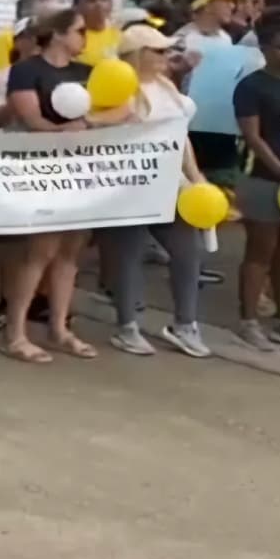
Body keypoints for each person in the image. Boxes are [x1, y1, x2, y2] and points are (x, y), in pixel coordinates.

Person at [97, 24, 211, 357]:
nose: (166, 56)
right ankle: (127, 326)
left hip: (170, 183)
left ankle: (185, 324)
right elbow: (93, 127)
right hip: (128, 185)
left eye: (166, 50)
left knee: (188, 252)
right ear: (137, 55)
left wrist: (195, 175)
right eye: (158, 51)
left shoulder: (166, 86)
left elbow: (181, 135)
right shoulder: (119, 87)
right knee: (128, 254)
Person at [0, 9, 95, 363]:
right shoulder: (27, 70)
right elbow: (31, 119)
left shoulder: (87, 72)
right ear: (57, 33)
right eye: (80, 30)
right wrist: (63, 132)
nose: (85, 37)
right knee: (39, 251)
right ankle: (16, 333)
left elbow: (117, 110)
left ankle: (59, 327)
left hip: (80, 170)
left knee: (71, 251)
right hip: (42, 170)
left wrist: (89, 123)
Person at [231, 12, 280, 351]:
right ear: (265, 48)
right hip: (262, 177)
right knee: (260, 251)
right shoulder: (251, 85)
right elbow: (252, 136)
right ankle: (248, 320)